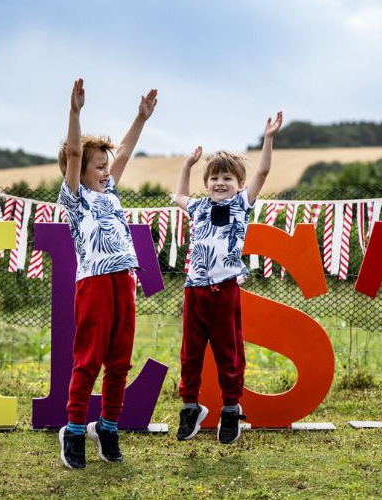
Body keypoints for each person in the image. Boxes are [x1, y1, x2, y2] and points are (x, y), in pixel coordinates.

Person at [57, 78, 157, 469]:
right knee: (89, 360)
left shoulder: (110, 193)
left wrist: (141, 117)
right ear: (78, 171)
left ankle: (109, 426)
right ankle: (75, 430)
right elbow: (77, 158)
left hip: (123, 281)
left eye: (105, 166)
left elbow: (127, 151)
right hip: (94, 284)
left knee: (119, 361)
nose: (104, 171)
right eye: (97, 166)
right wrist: (75, 113)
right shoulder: (75, 197)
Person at [172, 111, 283, 444]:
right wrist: (187, 167)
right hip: (195, 291)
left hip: (225, 291)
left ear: (238, 184)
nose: (220, 183)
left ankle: (231, 409)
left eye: (227, 179)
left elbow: (262, 171)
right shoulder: (199, 207)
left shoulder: (241, 205)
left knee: (228, 352)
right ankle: (190, 407)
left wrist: (268, 138)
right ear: (207, 183)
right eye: (215, 178)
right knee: (190, 353)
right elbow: (178, 197)